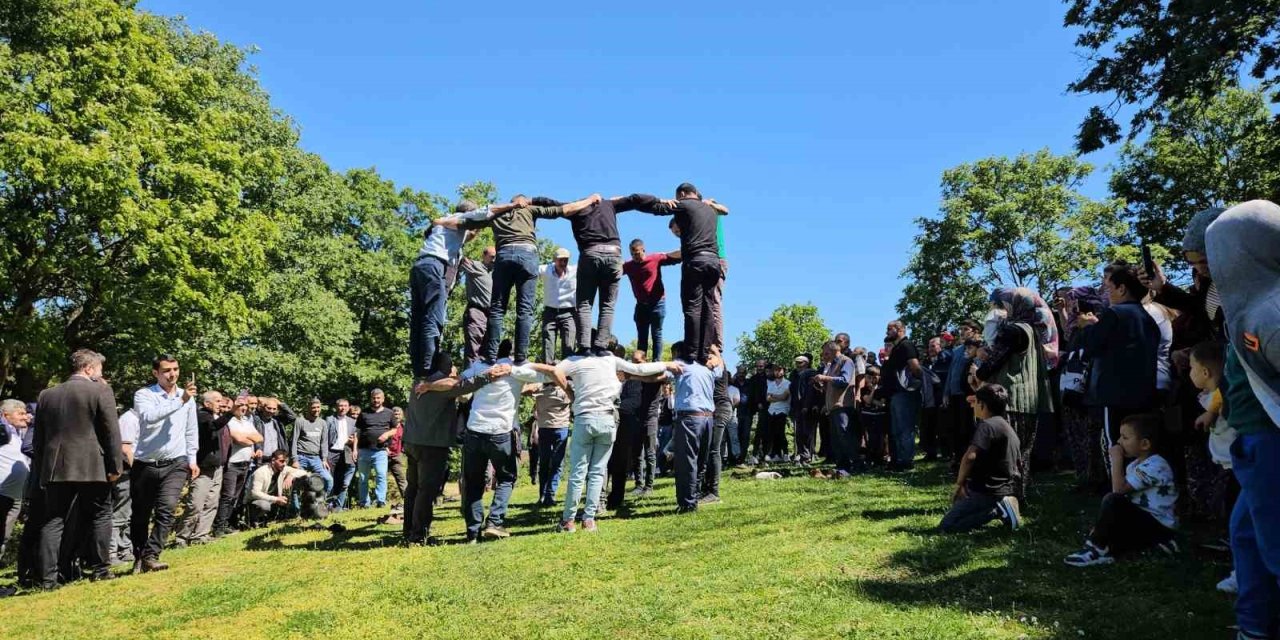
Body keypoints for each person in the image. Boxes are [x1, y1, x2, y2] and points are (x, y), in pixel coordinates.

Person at [1203, 200, 1280, 638]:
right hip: (1252, 438)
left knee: (1274, 542)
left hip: (1272, 440)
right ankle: (1255, 626)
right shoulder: (1248, 307)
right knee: (1248, 537)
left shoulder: (1272, 314)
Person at [470, 194, 600, 365]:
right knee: (524, 310)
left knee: (497, 309)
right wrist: (590, 200)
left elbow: (469, 220)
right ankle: (520, 358)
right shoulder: (529, 210)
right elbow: (564, 210)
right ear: (523, 203)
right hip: (527, 253)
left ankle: (490, 357)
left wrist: (444, 221)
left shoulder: (496, 213)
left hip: (504, 255)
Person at [557, 346, 674, 531]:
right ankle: (589, 519)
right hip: (607, 419)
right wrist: (669, 364)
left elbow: (553, 372)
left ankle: (569, 520)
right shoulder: (616, 368)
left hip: (588, 417)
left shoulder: (583, 363)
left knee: (579, 472)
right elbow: (641, 372)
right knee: (597, 471)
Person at [32, 349, 122, 587]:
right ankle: (102, 568)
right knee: (101, 514)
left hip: (55, 467)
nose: (100, 374)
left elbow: (38, 440)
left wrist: (42, 470)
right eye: (99, 370)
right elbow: (111, 432)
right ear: (89, 368)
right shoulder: (101, 390)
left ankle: (47, 579)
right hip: (92, 464)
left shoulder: (46, 395)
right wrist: (115, 466)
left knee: (53, 521)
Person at [458, 345, 563, 541]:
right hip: (501, 432)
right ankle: (495, 522)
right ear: (513, 353)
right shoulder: (517, 369)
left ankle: (473, 532)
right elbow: (552, 376)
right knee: (506, 478)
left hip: (474, 430)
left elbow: (459, 380)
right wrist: (529, 366)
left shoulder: (479, 366)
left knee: (473, 482)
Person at [532, 195, 652, 353]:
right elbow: (634, 199)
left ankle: (584, 346)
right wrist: (660, 202)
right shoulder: (609, 204)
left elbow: (552, 203)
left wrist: (531, 200)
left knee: (584, 304)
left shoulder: (577, 207)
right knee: (607, 306)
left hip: (590, 253)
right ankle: (601, 346)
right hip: (614, 254)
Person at [411, 201, 514, 378]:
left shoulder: (446, 226)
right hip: (436, 266)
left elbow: (469, 235)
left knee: (419, 321)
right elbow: (487, 212)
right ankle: (428, 371)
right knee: (432, 320)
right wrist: (512, 206)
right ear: (468, 214)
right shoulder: (460, 218)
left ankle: (418, 368)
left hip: (420, 266)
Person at [1064, 413, 1179, 566]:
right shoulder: (1134, 465)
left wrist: (1116, 459)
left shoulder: (1156, 465)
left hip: (1158, 526)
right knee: (1111, 518)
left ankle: (1097, 548)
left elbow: (1117, 490)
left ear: (1144, 444)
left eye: (1125, 438)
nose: (1118, 442)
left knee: (1113, 500)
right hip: (1143, 523)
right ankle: (1127, 547)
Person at [631, 184, 728, 363]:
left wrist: (637, 201)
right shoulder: (709, 209)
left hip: (695, 262)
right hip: (714, 262)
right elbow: (725, 210)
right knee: (707, 307)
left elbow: (656, 208)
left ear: (682, 194)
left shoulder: (684, 204)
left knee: (692, 308)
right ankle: (704, 352)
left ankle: (691, 354)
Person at [1079, 263, 1160, 476]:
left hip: (1114, 396)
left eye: (1108, 288)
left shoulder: (1114, 314)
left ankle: (1118, 492)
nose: (1106, 293)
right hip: (1145, 394)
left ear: (1121, 288)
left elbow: (1091, 346)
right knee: (1142, 449)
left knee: (1115, 445)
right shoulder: (1149, 319)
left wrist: (1087, 328)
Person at [974, 288, 1054, 501]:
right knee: (1022, 454)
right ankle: (1018, 497)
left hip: (1010, 399)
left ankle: (1003, 498)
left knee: (1004, 455)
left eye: (1005, 304)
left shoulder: (1014, 331)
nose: (1002, 309)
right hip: (1029, 401)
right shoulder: (1033, 330)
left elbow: (994, 361)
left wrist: (979, 366)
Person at [130, 354, 198, 574]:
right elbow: (150, 417)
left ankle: (152, 555)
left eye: (176, 369)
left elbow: (190, 429)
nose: (173, 374)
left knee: (166, 509)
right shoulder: (144, 395)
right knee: (141, 514)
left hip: (175, 462)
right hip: (146, 463)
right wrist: (180, 401)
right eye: (167, 370)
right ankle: (139, 554)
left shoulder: (186, 396)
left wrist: (192, 458)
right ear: (156, 373)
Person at [939, 384, 1022, 533]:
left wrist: (960, 484)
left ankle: (998, 510)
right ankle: (1001, 507)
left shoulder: (987, 426)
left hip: (987, 492)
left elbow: (970, 457)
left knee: (947, 526)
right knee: (962, 512)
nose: (973, 406)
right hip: (1005, 488)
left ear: (982, 405)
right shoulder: (1006, 426)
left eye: (975, 402)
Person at [666, 340, 722, 513]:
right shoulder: (708, 367)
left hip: (690, 418)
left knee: (686, 461)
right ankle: (694, 497)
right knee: (700, 461)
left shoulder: (680, 365)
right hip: (708, 419)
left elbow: (658, 374)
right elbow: (721, 365)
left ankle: (687, 503)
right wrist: (715, 349)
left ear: (678, 354)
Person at [174, 392, 224, 547]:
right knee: (195, 503)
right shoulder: (202, 416)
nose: (220, 404)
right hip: (203, 468)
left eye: (221, 401)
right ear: (207, 403)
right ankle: (182, 537)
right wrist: (230, 413)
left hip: (216, 467)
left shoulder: (214, 416)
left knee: (211, 502)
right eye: (217, 401)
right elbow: (213, 427)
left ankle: (200, 535)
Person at [622, 239, 682, 361]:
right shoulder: (629, 266)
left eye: (638, 253)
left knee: (656, 334)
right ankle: (640, 362)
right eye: (633, 254)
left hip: (657, 303)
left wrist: (686, 249)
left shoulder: (654, 259)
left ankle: (656, 362)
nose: (635, 257)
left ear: (643, 250)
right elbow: (614, 271)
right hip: (641, 305)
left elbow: (673, 257)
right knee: (642, 336)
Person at [212, 395, 261, 537]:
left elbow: (259, 437)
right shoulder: (229, 421)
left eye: (245, 405)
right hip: (232, 463)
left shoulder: (246, 421)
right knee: (227, 496)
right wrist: (247, 438)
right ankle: (218, 527)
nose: (244, 408)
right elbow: (238, 439)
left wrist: (246, 438)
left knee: (235, 497)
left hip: (246, 463)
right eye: (240, 406)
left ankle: (226, 523)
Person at [878, 321, 923, 471]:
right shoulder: (897, 348)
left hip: (904, 393)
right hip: (894, 394)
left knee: (905, 428)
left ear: (901, 329)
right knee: (896, 430)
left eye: (889, 329)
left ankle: (906, 461)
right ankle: (898, 460)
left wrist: (913, 385)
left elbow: (915, 367)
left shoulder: (906, 345)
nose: (887, 332)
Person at [814, 341, 859, 477]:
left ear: (834, 350)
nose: (824, 356)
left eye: (826, 353)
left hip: (843, 405)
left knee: (845, 436)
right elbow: (833, 383)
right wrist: (822, 385)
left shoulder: (846, 361)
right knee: (836, 439)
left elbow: (844, 380)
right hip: (832, 407)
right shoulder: (831, 365)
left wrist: (825, 377)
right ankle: (842, 467)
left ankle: (854, 465)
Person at [942, 321, 980, 471]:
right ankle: (957, 460)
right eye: (961, 329)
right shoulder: (957, 350)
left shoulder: (977, 347)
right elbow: (951, 372)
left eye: (966, 329)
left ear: (975, 331)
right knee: (954, 428)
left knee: (967, 428)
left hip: (968, 393)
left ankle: (969, 462)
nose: (962, 332)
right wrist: (946, 392)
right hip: (954, 394)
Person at [0, 399, 32, 562]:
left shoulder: (17, 434)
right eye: (20, 413)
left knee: (4, 537)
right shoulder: (2, 431)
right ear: (5, 415)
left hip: (15, 496)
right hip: (2, 493)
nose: (25, 417)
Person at [531, 381, 571, 508]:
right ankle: (548, 495)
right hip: (559, 428)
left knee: (545, 463)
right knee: (556, 464)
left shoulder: (538, 389)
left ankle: (544, 495)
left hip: (546, 428)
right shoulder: (566, 388)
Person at [355, 389, 396, 509]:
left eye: (378, 398)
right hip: (364, 450)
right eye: (374, 398)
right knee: (363, 478)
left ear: (383, 399)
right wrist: (355, 449)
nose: (376, 400)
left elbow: (395, 429)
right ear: (371, 398)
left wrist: (386, 435)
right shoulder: (364, 413)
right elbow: (358, 432)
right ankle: (364, 502)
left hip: (380, 451)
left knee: (381, 475)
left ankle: (380, 501)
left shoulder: (389, 413)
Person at [247, 449, 307, 524]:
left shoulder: (283, 469)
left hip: (272, 500)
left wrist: (291, 476)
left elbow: (304, 472)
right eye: (281, 461)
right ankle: (253, 520)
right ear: (273, 460)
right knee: (264, 505)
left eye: (285, 461)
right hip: (254, 502)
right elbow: (255, 493)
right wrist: (276, 499)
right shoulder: (261, 472)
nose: (284, 464)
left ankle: (271, 518)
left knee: (304, 480)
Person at [539, 248, 578, 363]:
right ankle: (548, 373)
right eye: (560, 260)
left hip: (569, 312)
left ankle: (567, 374)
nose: (563, 263)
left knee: (569, 342)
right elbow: (529, 270)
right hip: (550, 312)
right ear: (554, 260)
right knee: (548, 341)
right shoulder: (545, 270)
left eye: (565, 260)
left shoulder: (574, 271)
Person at [459, 247, 496, 365]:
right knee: (473, 350)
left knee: (487, 352)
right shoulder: (476, 266)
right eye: (492, 257)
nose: (494, 260)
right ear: (484, 256)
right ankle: (469, 380)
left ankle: (481, 380)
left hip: (490, 316)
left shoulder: (493, 273)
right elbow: (461, 259)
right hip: (477, 312)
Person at [290, 398, 332, 494]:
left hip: (316, 458)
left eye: (318, 407)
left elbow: (324, 442)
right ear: (308, 408)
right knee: (296, 482)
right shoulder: (300, 421)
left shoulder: (322, 423)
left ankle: (320, 502)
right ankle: (296, 508)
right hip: (301, 456)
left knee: (328, 479)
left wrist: (324, 459)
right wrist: (294, 460)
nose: (316, 410)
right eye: (313, 407)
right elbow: (294, 441)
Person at [921, 336, 952, 462]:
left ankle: (946, 453)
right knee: (929, 427)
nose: (930, 349)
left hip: (941, 398)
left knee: (943, 427)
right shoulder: (927, 363)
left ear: (941, 346)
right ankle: (930, 453)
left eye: (933, 346)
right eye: (929, 346)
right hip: (928, 400)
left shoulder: (945, 359)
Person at [325, 398, 357, 509]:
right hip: (331, 452)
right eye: (340, 406)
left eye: (345, 406)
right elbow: (324, 439)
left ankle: (338, 506)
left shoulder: (352, 422)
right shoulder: (329, 420)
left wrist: (354, 446)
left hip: (346, 453)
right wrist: (324, 456)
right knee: (330, 480)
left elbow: (356, 438)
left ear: (348, 408)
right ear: (336, 407)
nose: (342, 408)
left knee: (343, 481)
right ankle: (327, 504)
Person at [789, 355, 818, 464]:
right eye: (796, 362)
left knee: (808, 432)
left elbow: (814, 391)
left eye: (800, 362)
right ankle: (801, 454)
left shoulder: (812, 373)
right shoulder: (795, 375)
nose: (798, 365)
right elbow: (792, 391)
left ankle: (809, 455)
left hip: (809, 406)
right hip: (797, 407)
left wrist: (811, 404)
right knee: (799, 433)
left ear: (806, 363)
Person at [763, 364, 790, 463]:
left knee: (781, 433)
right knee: (772, 434)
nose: (777, 372)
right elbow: (767, 398)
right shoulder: (771, 384)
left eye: (780, 370)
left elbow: (785, 397)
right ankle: (776, 454)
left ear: (784, 371)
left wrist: (773, 396)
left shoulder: (788, 383)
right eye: (775, 370)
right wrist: (778, 397)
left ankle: (786, 453)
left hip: (782, 410)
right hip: (772, 410)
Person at [386, 407, 407, 508]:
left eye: (399, 414)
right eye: (395, 414)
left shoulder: (404, 427)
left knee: (402, 479)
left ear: (402, 416)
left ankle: (407, 499)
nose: (397, 416)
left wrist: (403, 451)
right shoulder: (386, 426)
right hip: (384, 455)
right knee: (381, 478)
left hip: (398, 456)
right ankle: (380, 502)